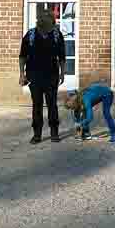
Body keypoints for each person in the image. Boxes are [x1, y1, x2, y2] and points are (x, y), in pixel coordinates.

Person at [19, 10, 66, 144]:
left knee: (52, 104)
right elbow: (22, 56)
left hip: (51, 75)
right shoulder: (30, 35)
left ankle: (54, 132)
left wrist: (62, 73)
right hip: (34, 75)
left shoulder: (57, 35)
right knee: (37, 105)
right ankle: (37, 134)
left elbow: (62, 56)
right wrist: (22, 74)